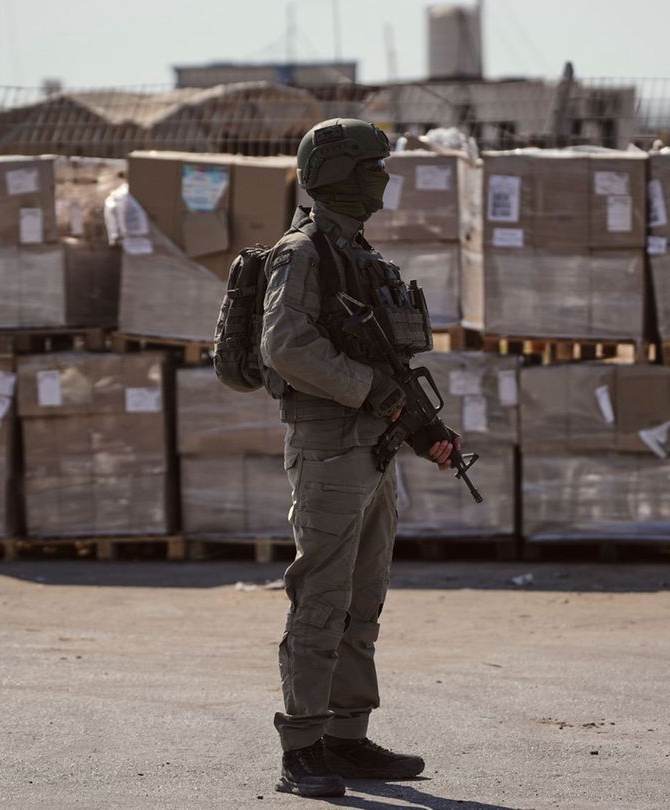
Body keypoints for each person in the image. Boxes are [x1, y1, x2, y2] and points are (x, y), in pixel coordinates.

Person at [260, 118, 460, 798]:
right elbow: (284, 346)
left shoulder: (360, 256)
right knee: (320, 598)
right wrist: (370, 390)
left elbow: (388, 367)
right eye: (373, 166)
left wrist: (423, 430)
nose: (384, 178)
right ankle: (302, 747)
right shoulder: (304, 253)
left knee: (362, 601)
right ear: (338, 174)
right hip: (328, 450)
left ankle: (346, 737)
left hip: (371, 452)